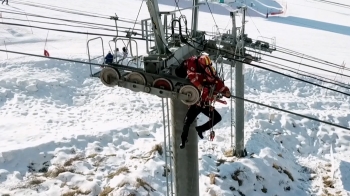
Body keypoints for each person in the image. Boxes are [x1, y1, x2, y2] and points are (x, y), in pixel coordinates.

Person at [180, 54, 231, 149]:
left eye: (213, 78)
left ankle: (200, 129)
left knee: (217, 118)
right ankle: (183, 139)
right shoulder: (200, 76)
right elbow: (191, 75)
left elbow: (224, 89)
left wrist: (227, 93)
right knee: (187, 122)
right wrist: (199, 85)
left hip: (206, 105)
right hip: (196, 104)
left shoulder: (216, 82)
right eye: (210, 78)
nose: (211, 79)